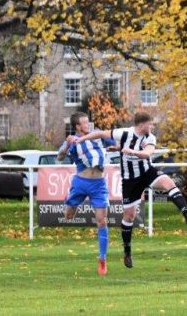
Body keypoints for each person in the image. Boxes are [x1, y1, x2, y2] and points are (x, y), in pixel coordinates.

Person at [75, 112, 187, 268]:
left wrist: (132, 152)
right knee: (129, 216)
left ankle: (186, 212)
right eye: (150, 124)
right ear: (142, 125)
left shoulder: (150, 138)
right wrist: (81, 139)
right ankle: (127, 252)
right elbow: (100, 133)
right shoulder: (124, 133)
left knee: (168, 182)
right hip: (130, 180)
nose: (152, 126)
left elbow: (147, 153)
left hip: (147, 173)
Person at [57, 112, 112, 275]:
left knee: (102, 222)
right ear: (77, 127)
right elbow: (59, 156)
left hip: (99, 185)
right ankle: (69, 199)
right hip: (80, 183)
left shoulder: (97, 135)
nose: (88, 125)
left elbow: (114, 139)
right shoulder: (73, 142)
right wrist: (67, 145)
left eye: (88, 122)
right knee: (68, 216)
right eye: (85, 123)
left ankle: (102, 259)